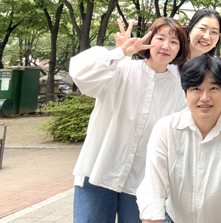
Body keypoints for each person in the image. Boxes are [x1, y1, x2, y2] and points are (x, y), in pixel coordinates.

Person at [69, 17, 189, 223]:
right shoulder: (120, 70)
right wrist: (120, 53)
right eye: (160, 38)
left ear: (180, 49)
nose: (166, 46)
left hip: (142, 182)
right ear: (148, 40)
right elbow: (81, 74)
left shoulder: (179, 90)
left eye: (174, 41)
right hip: (98, 170)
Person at [137, 55, 221, 223]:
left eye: (213, 88)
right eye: (196, 89)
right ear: (186, 92)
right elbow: (153, 190)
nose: (204, 97)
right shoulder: (166, 129)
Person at [167, 8, 221, 78]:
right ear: (189, 31)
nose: (207, 37)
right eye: (202, 29)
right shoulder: (168, 60)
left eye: (214, 32)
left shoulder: (215, 70)